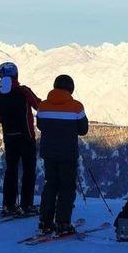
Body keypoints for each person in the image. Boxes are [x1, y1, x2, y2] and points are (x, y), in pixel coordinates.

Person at [36, 75, 88, 236]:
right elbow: (83, 130)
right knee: (67, 187)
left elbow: (40, 125)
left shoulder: (43, 106)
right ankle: (63, 223)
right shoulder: (76, 107)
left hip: (49, 153)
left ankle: (45, 222)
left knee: (50, 185)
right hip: (67, 154)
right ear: (70, 89)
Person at [0, 62, 41, 217]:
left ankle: (9, 205)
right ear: (16, 75)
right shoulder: (23, 91)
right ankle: (27, 205)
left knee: (11, 171)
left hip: (9, 138)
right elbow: (38, 105)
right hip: (27, 137)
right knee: (28, 171)